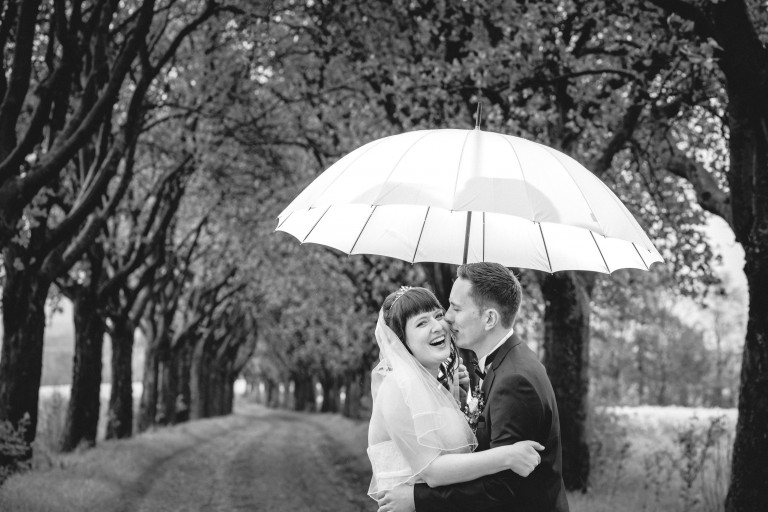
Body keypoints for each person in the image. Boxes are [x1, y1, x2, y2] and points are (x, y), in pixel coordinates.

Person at [379, 263, 569, 512]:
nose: (446, 318)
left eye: (454, 308)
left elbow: (502, 487)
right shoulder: (495, 365)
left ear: (489, 318)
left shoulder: (514, 379)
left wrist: (418, 499)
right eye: (423, 322)